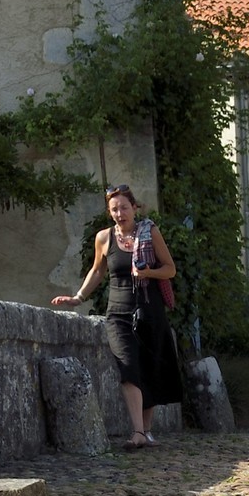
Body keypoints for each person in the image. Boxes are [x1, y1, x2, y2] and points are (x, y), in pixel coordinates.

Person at [51, 185, 181, 447]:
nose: (120, 213)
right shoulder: (104, 238)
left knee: (148, 368)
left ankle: (145, 430)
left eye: (124, 207)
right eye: (114, 210)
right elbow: (97, 271)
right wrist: (78, 297)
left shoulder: (150, 232)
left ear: (134, 207)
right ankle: (137, 432)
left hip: (149, 311)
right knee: (127, 367)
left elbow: (170, 269)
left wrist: (148, 273)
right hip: (118, 313)